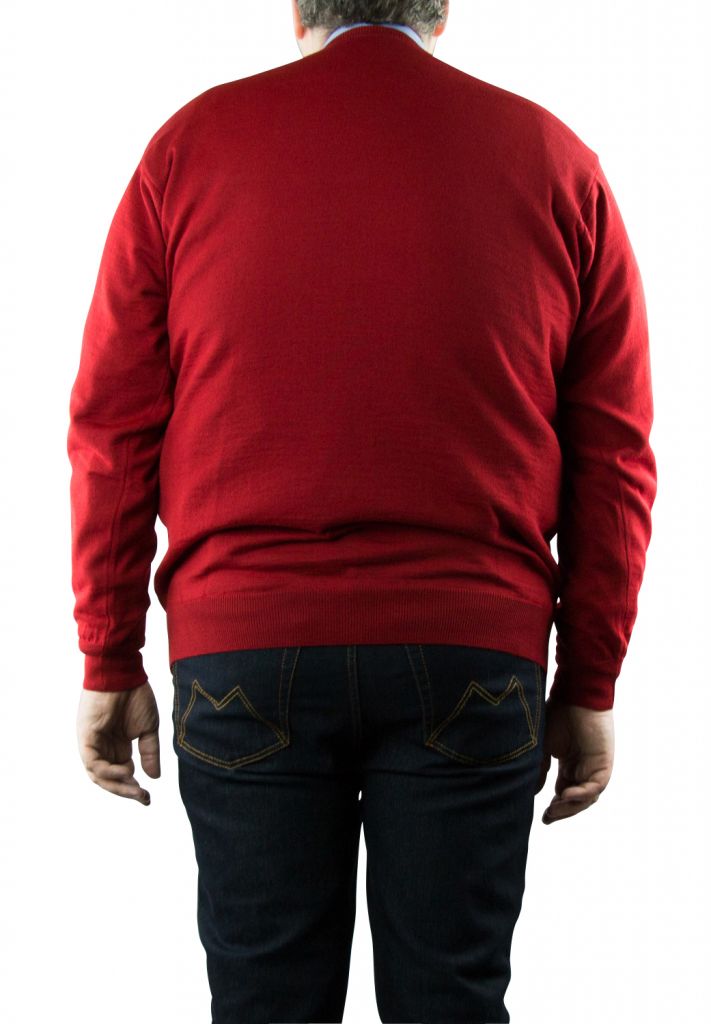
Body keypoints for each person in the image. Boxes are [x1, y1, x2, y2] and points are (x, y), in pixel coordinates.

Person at [67, 1, 657, 1021]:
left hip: (245, 649)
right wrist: (590, 677)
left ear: (299, 8)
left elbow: (112, 432)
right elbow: (615, 455)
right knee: (451, 1002)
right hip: (472, 651)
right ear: (442, 9)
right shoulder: (556, 161)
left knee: (264, 1004)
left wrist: (108, 655)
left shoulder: (189, 150)